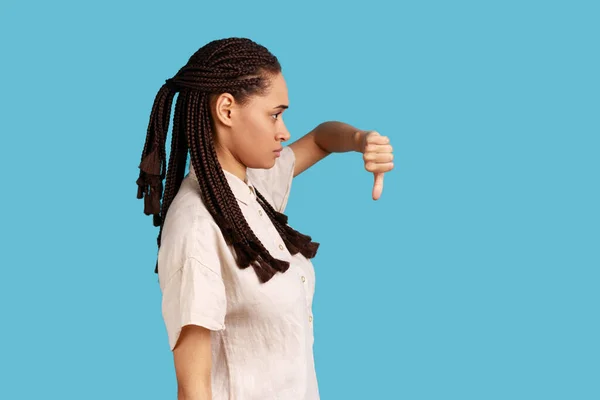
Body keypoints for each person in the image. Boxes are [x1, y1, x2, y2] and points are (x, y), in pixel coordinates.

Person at [135, 37, 394, 400]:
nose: (284, 130)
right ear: (226, 110)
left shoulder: (247, 190)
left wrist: (360, 139)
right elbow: (193, 389)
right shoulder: (196, 226)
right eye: (274, 114)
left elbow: (320, 139)